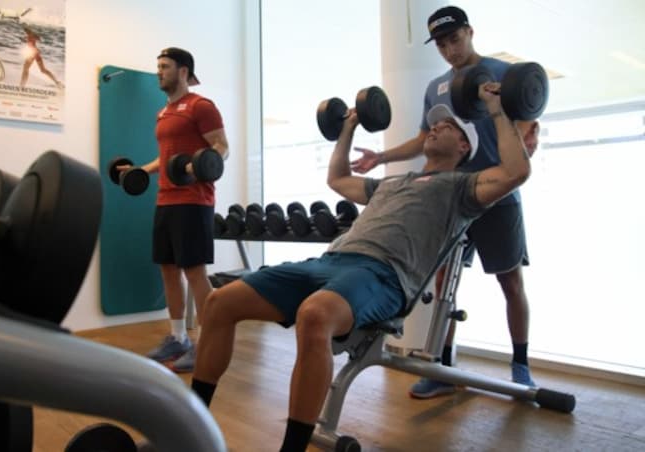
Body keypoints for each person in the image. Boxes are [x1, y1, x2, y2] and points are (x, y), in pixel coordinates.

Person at [191, 80, 538, 451]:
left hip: (383, 275)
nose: (435, 127)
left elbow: (515, 172)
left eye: (447, 126)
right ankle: (189, 430)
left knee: (315, 315)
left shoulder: (463, 188)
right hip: (329, 261)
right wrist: (347, 129)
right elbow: (338, 179)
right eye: (435, 124)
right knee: (219, 302)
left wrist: (497, 108)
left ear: (464, 145)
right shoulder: (392, 183)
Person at [350, 5, 540, 397]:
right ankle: (442, 367)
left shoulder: (503, 74)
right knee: (444, 280)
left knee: (510, 281)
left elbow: (527, 130)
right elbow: (424, 139)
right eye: (441, 44)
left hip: (497, 194)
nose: (450, 50)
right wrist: (381, 158)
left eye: (454, 39)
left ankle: (520, 365)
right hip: (453, 197)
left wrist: (519, 157)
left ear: (470, 32)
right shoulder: (436, 87)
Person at [128, 47, 229, 373]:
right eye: (157, 66)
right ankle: (177, 338)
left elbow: (221, 149)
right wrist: (143, 170)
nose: (159, 72)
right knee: (168, 269)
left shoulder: (201, 106)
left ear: (183, 71)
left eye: (165, 66)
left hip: (193, 200)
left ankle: (207, 343)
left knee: (194, 272)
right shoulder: (164, 113)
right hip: (165, 199)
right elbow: (169, 158)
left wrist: (198, 170)